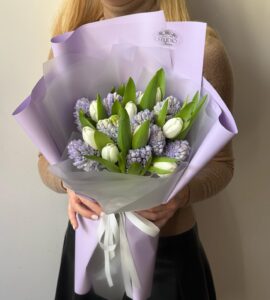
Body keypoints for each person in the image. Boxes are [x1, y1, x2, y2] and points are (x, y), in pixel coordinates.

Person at [38, 0, 235, 299]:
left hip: (167, 259)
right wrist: (69, 185)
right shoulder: (68, 46)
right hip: (89, 250)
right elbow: (45, 160)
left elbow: (222, 163)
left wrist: (181, 194)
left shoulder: (202, 51)